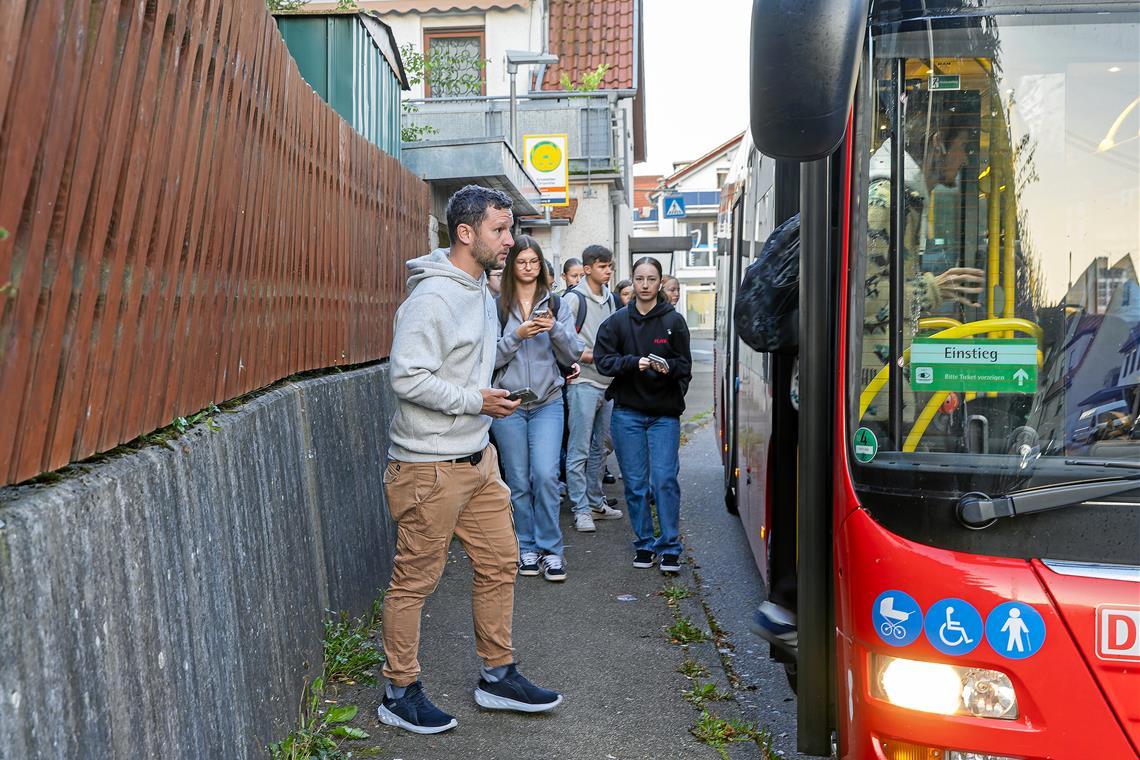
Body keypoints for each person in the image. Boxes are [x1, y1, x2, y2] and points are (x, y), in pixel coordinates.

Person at [380, 185, 562, 735]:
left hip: (477, 460)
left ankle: (497, 676)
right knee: (415, 580)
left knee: (502, 562)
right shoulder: (432, 300)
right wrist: (473, 401)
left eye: (509, 230)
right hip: (428, 468)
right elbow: (406, 376)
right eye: (499, 231)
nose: (510, 241)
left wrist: (490, 401)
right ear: (466, 234)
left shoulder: (482, 291)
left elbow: (470, 367)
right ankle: (399, 689)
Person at [492, 236, 584, 582]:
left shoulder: (557, 304)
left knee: (546, 476)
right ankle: (525, 547)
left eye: (534, 261)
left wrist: (553, 328)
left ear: (541, 266)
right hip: (509, 403)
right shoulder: (497, 305)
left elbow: (574, 352)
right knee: (518, 480)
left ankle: (552, 550)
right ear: (512, 266)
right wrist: (517, 334)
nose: (528, 267)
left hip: (547, 402)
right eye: (521, 261)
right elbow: (489, 359)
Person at [595, 256, 692, 573]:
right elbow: (603, 361)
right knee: (636, 485)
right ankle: (644, 544)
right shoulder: (617, 322)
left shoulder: (674, 322)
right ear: (632, 281)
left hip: (664, 416)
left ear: (660, 282)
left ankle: (670, 546)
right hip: (627, 415)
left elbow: (684, 366)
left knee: (664, 480)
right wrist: (631, 362)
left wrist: (667, 370)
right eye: (639, 279)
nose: (645, 285)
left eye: (651, 279)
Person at [564, 245, 625, 532]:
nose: (608, 270)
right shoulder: (575, 299)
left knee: (602, 446)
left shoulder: (611, 300)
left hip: (608, 384)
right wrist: (590, 356)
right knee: (579, 448)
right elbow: (561, 341)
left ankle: (595, 501)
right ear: (588, 269)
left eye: (610, 266)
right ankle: (580, 509)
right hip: (583, 383)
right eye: (602, 266)